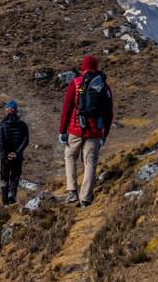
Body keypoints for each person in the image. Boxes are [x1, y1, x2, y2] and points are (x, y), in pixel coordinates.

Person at [59, 55, 113, 207]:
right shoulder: (103, 86)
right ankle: (85, 199)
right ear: (96, 67)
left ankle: (71, 191)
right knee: (90, 163)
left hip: (75, 129)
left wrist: (63, 130)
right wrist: (105, 133)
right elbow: (109, 113)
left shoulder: (75, 83)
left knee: (69, 157)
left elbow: (67, 108)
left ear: (83, 67)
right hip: (94, 131)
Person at [0, 100, 29, 205]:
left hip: (4, 157)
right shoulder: (23, 125)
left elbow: (0, 141)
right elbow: (25, 140)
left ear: (6, 111)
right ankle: (11, 196)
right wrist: (16, 153)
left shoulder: (1, 125)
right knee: (15, 176)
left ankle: (5, 200)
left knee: (4, 177)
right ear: (16, 111)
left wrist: (6, 154)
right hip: (17, 157)